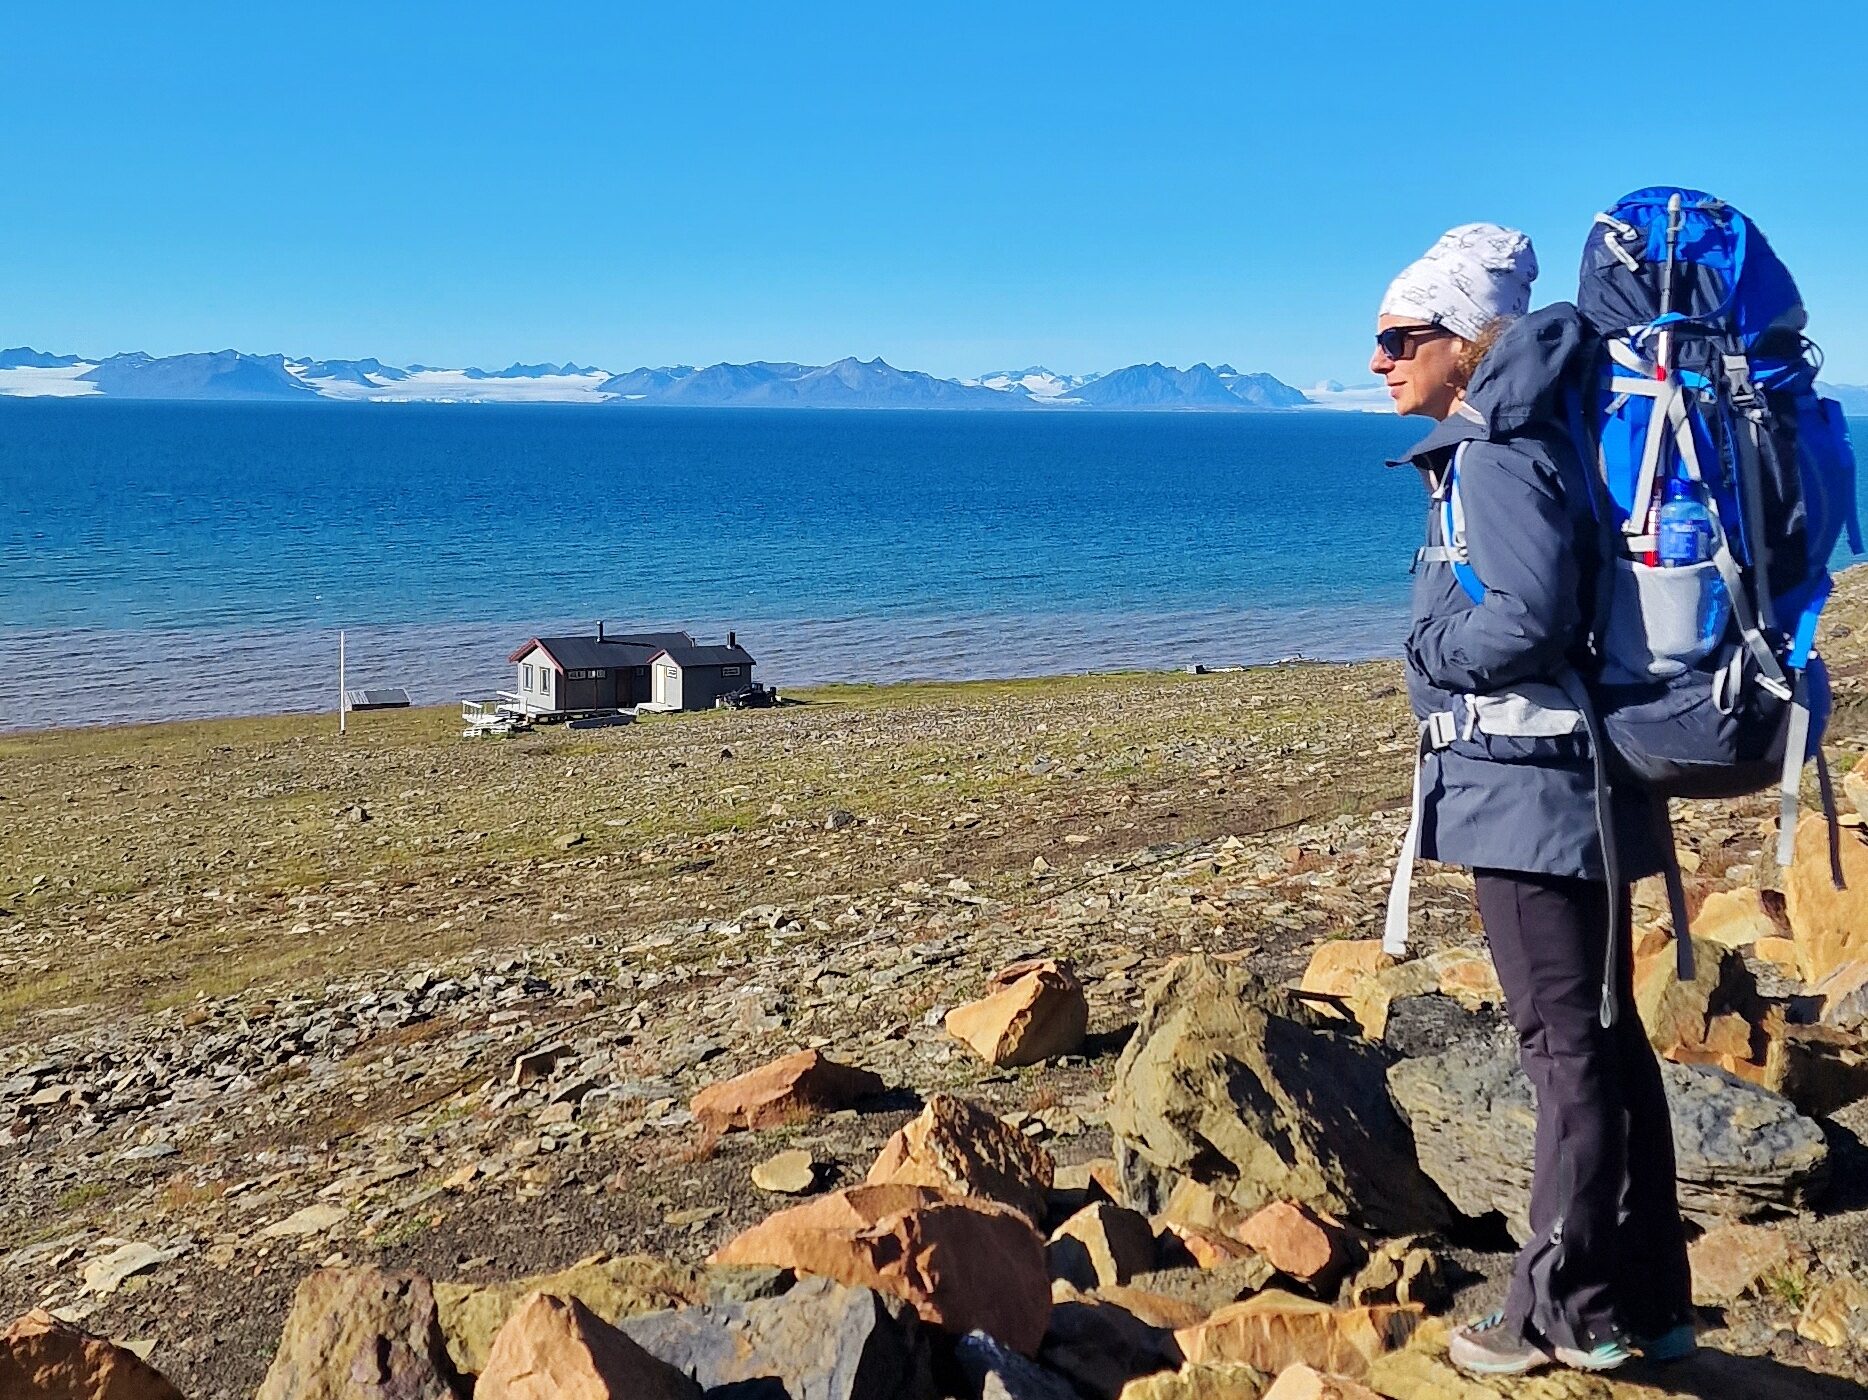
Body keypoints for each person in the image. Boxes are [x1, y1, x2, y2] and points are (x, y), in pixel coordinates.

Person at [1373, 224, 1696, 1375]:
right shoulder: (1545, 426)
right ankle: (1650, 1301)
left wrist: (1430, 649)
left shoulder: (1499, 446)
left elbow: (1532, 614)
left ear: (1462, 340)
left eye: (1398, 336)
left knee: (1563, 1053)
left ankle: (1557, 1310)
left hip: (1531, 795)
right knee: (1606, 1045)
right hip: (1583, 787)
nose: (1377, 360)